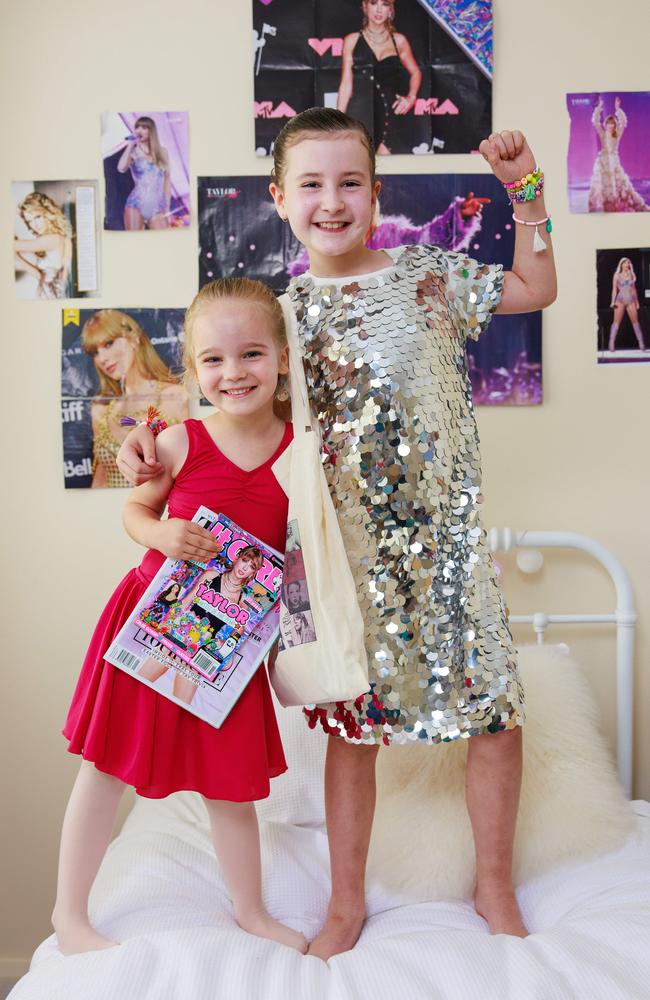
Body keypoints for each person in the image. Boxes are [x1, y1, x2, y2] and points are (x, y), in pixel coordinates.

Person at [117, 107, 557, 959]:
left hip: (448, 547)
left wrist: (526, 193)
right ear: (281, 200)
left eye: (349, 182)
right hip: (342, 561)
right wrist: (146, 435)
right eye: (311, 185)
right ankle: (346, 904)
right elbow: (225, 402)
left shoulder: (426, 275)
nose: (331, 201)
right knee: (353, 733)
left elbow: (535, 290)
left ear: (375, 192)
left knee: (496, 719)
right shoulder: (280, 318)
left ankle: (493, 885)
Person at [53, 277, 307, 957]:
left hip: (228, 642)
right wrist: (160, 534)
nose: (234, 373)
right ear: (193, 371)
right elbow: (135, 512)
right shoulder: (180, 443)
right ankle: (69, 917)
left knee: (231, 785)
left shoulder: (301, 452)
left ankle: (249, 909)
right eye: (214, 360)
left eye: (251, 354)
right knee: (105, 768)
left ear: (282, 358)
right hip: (152, 623)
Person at [140, 546, 265, 706]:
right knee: (139, 680)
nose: (245, 567)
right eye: (245, 560)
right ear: (237, 558)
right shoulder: (212, 575)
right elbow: (187, 601)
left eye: (251, 566)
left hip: (201, 651)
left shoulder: (243, 602)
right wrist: (167, 621)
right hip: (178, 634)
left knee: (181, 706)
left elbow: (237, 633)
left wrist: (222, 644)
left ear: (253, 573)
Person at [81, 309, 189, 488]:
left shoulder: (178, 398)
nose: (102, 359)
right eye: (94, 352)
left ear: (134, 338)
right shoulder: (101, 410)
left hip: (166, 511)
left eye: (108, 344)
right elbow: (100, 479)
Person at [337, 0, 421, 155]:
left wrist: (411, 97)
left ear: (391, 10)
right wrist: (337, 119)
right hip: (359, 114)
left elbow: (416, 72)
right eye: (374, 3)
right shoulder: (352, 40)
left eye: (385, 4)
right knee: (359, 168)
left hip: (391, 118)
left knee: (389, 173)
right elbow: (346, 83)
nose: (379, 9)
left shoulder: (399, 40)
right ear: (365, 7)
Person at [588, 96, 649, 213]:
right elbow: (595, 121)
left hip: (614, 161)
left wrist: (617, 109)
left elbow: (624, 122)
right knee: (601, 185)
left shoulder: (618, 134)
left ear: (614, 125)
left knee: (620, 185)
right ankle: (605, 206)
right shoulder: (602, 133)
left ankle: (616, 205)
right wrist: (600, 107)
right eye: (608, 123)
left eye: (612, 123)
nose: (610, 125)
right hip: (603, 161)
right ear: (605, 124)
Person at [14, 191, 72, 298]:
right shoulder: (55, 236)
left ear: (47, 213)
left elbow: (11, 245)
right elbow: (41, 276)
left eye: (37, 217)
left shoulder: (52, 239)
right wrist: (17, 257)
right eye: (29, 221)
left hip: (53, 297)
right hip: (46, 294)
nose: (34, 225)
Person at [116, 116, 171, 229]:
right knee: (134, 242)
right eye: (137, 127)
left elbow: (167, 181)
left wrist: (167, 207)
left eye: (144, 127)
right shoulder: (133, 153)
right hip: (136, 204)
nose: (139, 131)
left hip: (158, 207)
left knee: (164, 240)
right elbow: (121, 168)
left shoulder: (163, 152)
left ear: (151, 131)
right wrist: (130, 144)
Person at [608, 256, 647, 351]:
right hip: (620, 300)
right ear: (621, 264)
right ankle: (611, 343)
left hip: (630, 301)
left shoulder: (631, 275)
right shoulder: (616, 275)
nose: (627, 264)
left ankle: (641, 344)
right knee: (616, 322)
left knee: (636, 322)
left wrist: (637, 302)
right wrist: (612, 302)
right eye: (625, 263)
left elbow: (633, 290)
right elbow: (614, 290)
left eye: (628, 263)